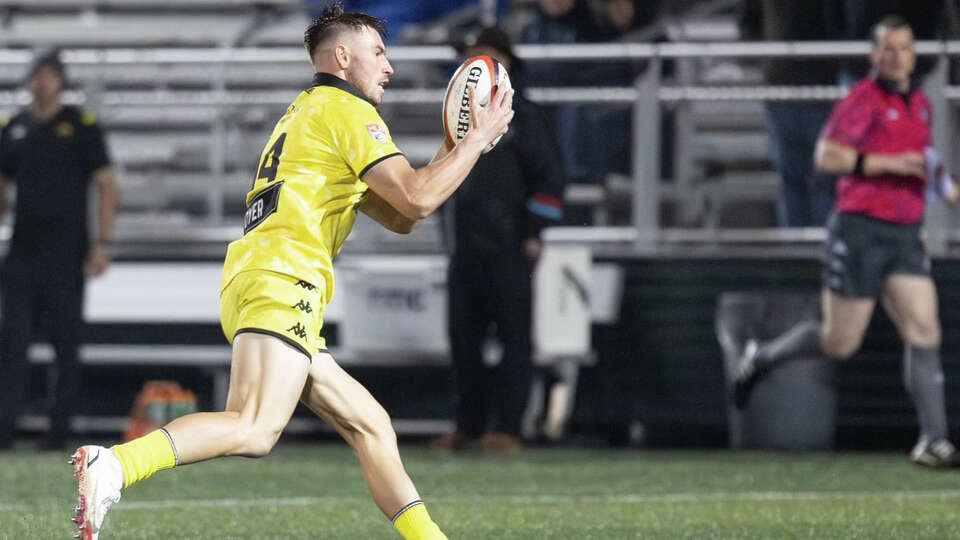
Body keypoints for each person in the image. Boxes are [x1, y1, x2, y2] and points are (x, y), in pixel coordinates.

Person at [69, 4, 514, 539]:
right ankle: (114, 465)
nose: (389, 66)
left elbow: (400, 216)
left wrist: (454, 146)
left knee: (371, 425)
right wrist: (474, 141)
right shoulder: (349, 114)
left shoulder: (307, 113)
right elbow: (418, 200)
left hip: (264, 278)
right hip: (284, 279)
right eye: (379, 52)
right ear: (343, 57)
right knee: (254, 427)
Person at [732, 16, 960, 468]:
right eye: (887, 48)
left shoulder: (919, 104)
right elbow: (828, 155)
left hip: (904, 233)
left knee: (924, 330)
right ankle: (762, 357)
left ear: (915, 55)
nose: (896, 56)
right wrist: (890, 164)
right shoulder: (862, 99)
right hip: (860, 230)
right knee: (840, 343)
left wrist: (949, 190)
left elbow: (928, 165)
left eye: (905, 48)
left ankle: (933, 440)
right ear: (874, 55)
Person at [434, 27, 565, 453]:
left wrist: (532, 233)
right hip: (466, 248)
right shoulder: (458, 119)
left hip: (510, 247)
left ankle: (507, 427)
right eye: (473, 58)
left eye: (487, 57)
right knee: (463, 339)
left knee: (514, 339)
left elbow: (550, 181)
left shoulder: (526, 118)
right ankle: (467, 424)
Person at [0, 51, 117, 451]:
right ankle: (5, 429)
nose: (41, 82)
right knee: (12, 342)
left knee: (65, 343)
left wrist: (102, 243)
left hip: (67, 254)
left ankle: (58, 433)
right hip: (22, 253)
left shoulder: (81, 127)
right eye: (36, 75)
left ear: (61, 82)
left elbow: (106, 185)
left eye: (48, 76)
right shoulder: (14, 128)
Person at [740, 0, 844, 227]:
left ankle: (822, 251)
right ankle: (795, 251)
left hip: (823, 87)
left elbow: (841, 22)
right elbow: (749, 24)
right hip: (781, 88)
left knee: (824, 179)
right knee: (790, 179)